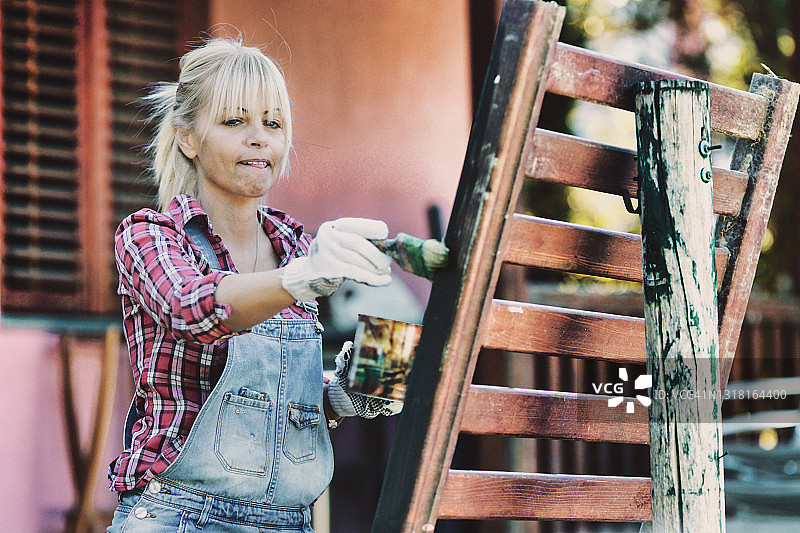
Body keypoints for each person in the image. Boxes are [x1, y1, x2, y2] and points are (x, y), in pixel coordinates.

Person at [107, 37, 399, 533]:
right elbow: (191, 310)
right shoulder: (149, 237)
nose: (259, 137)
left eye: (273, 122)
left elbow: (278, 397)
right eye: (234, 121)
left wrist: (371, 378)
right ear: (187, 138)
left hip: (291, 521)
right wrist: (300, 279)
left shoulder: (295, 246)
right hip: (178, 516)